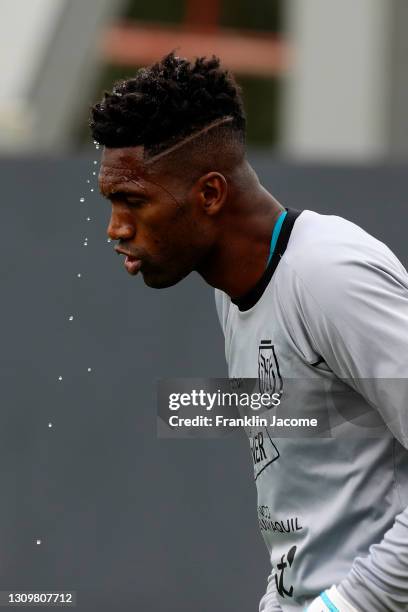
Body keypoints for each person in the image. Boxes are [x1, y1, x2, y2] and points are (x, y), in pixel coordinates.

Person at [90, 52, 408, 611]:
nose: (116, 227)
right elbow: (308, 515)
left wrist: (345, 606)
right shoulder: (233, 290)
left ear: (210, 194)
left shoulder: (329, 274)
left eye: (133, 200)